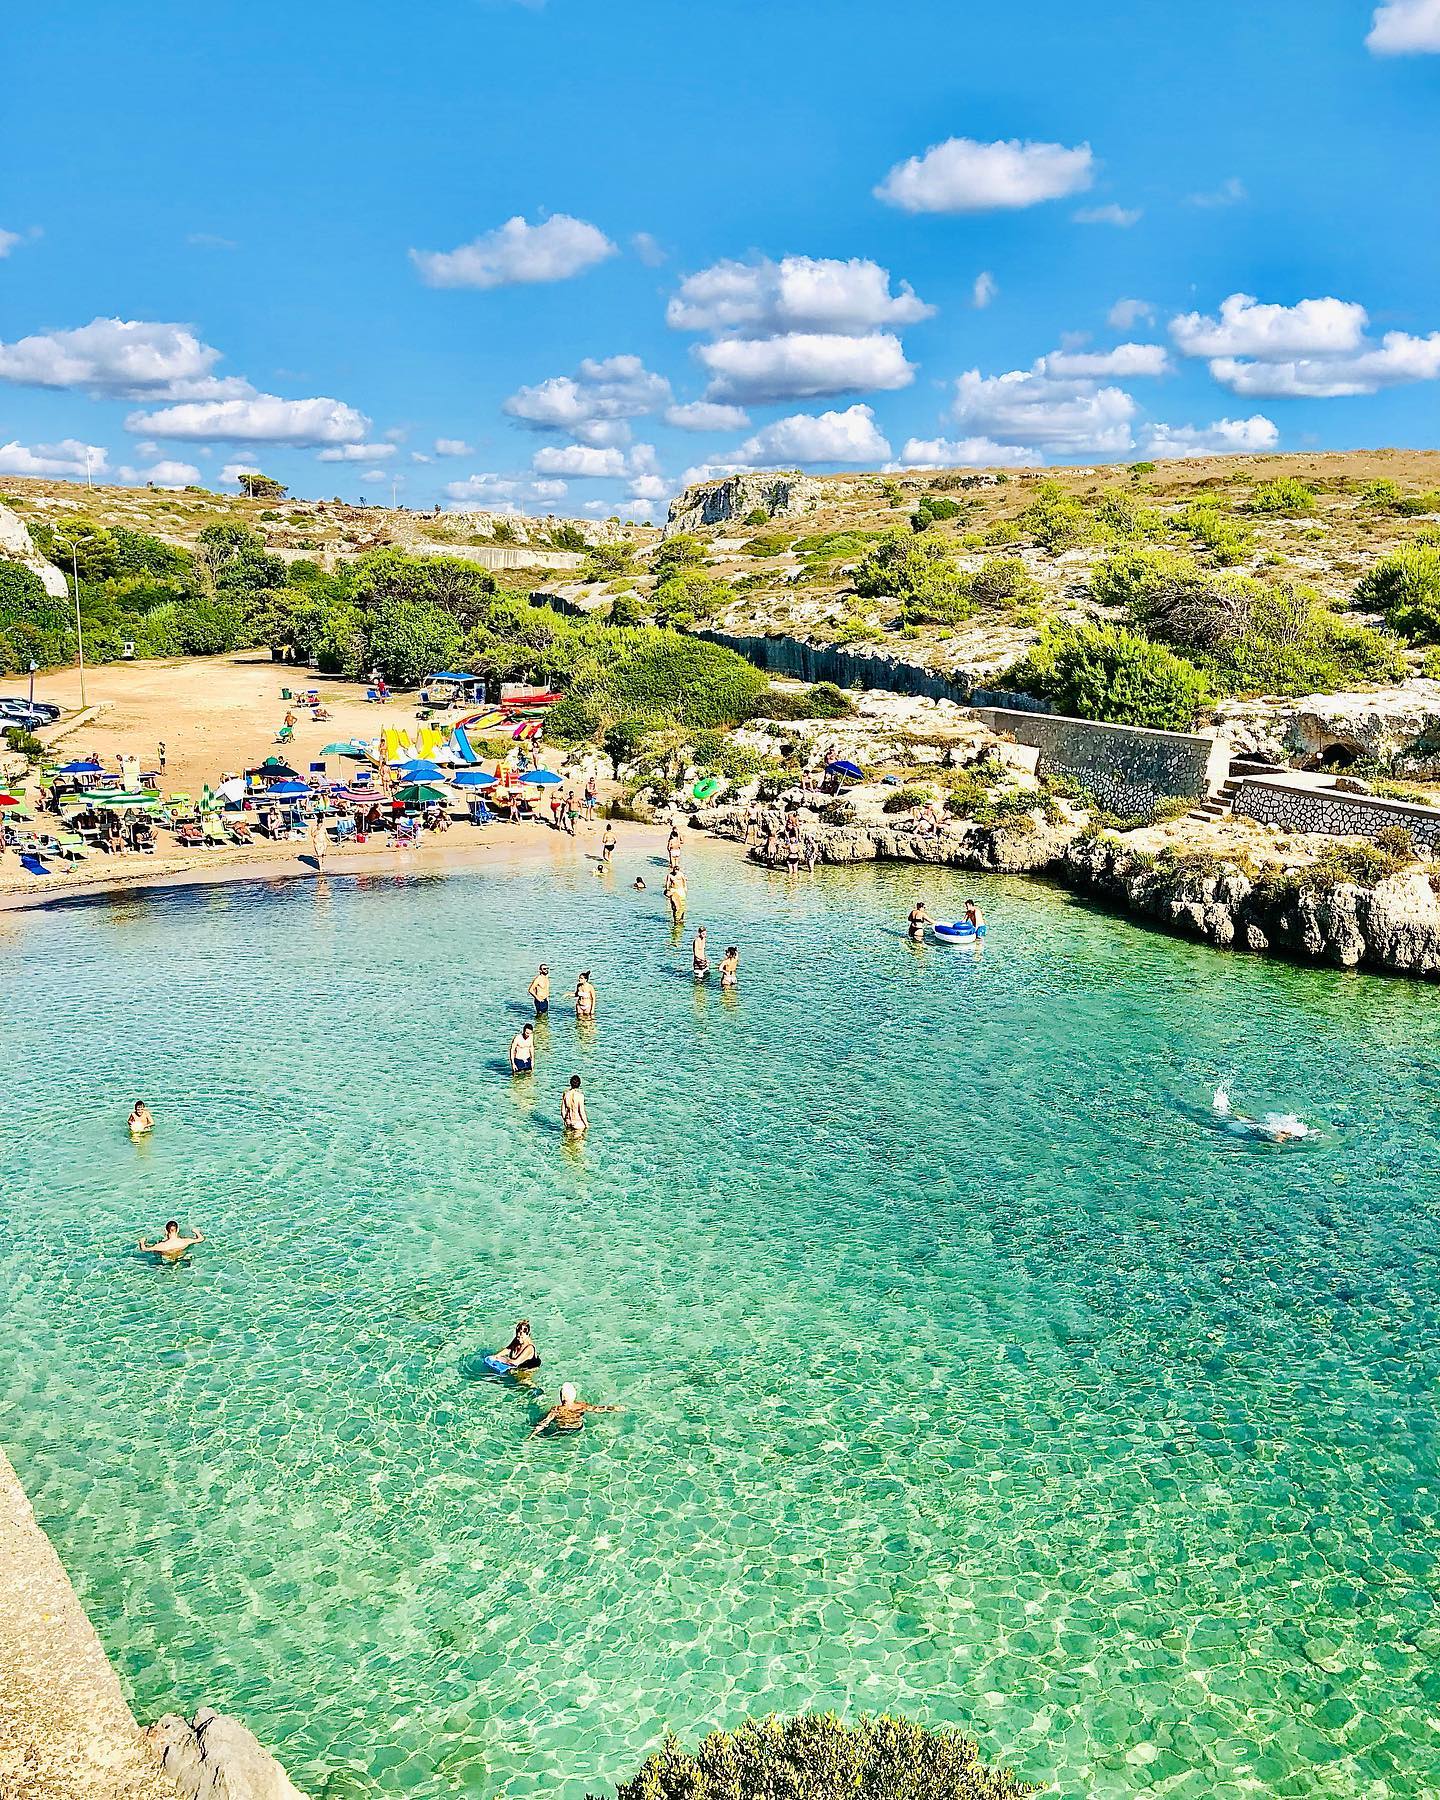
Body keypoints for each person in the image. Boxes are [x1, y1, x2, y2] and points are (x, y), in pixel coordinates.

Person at [528, 1381, 619, 1438]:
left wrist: (533, 1434)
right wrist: (615, 1408)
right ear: (574, 1395)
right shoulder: (580, 1406)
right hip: (577, 1428)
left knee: (539, 1423)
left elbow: (545, 1422)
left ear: (561, 1397)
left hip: (562, 1429)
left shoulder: (557, 1409)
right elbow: (599, 1409)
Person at [138, 1220, 203, 1261]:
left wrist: (142, 1242)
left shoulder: (161, 1245)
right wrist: (197, 1232)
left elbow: (144, 1249)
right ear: (177, 1230)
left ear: (166, 1231)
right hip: (181, 1257)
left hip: (167, 1260)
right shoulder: (185, 1241)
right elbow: (200, 1239)